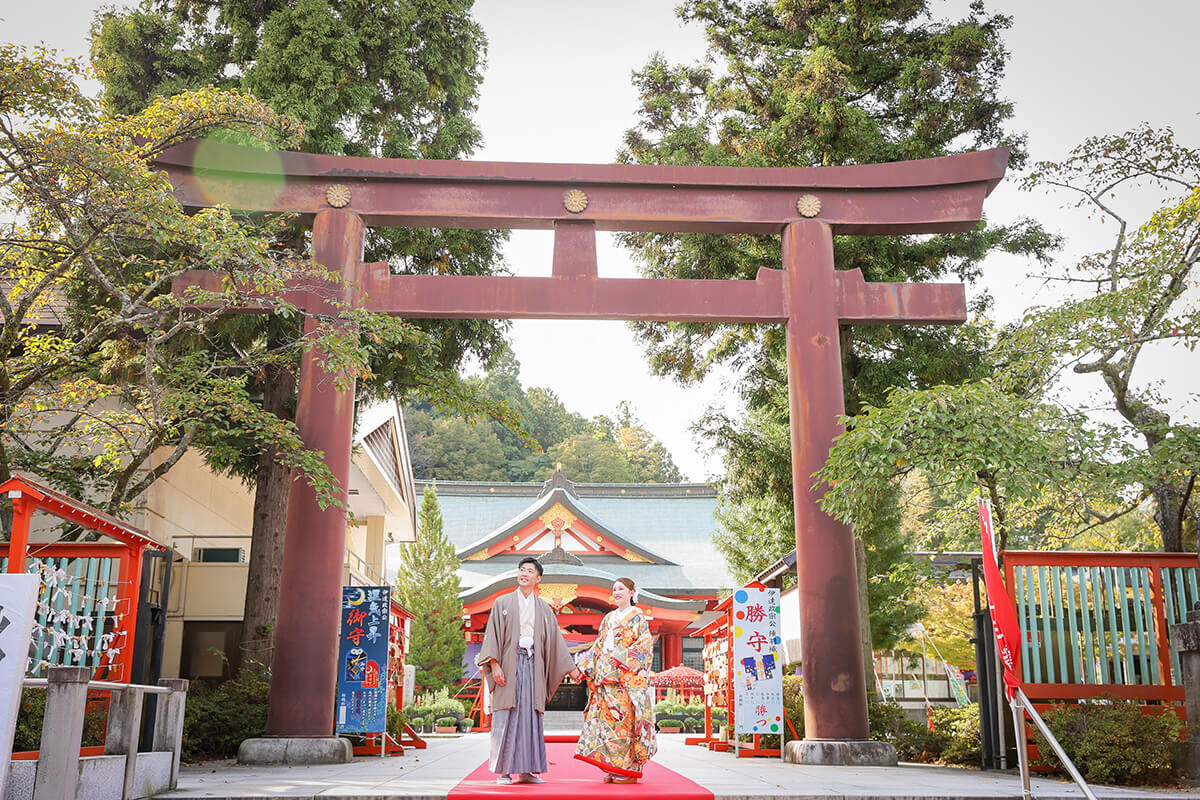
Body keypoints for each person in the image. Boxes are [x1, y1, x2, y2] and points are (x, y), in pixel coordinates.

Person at [476, 557, 582, 785]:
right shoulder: (502, 603)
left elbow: (555, 641)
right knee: (507, 713)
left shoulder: (544, 608)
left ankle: (527, 770)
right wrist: (494, 664)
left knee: (530, 716)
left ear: (538, 578)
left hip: (533, 665)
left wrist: (571, 670)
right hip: (507, 664)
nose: (524, 573)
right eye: (521, 570)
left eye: (529, 571)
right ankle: (504, 771)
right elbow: (492, 635)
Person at [574, 577, 657, 784]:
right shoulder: (608, 618)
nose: (617, 592)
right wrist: (582, 668)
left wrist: (620, 658)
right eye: (614, 589)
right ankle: (612, 765)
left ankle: (627, 768)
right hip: (605, 681)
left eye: (621, 588)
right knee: (608, 725)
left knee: (624, 724)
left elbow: (645, 647)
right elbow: (598, 647)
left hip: (624, 681)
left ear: (632, 592)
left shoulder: (638, 617)